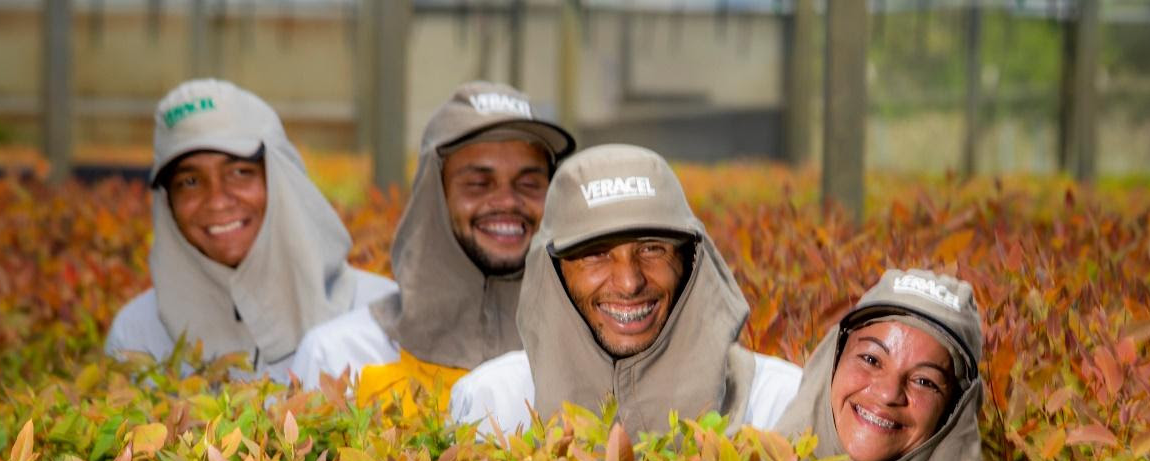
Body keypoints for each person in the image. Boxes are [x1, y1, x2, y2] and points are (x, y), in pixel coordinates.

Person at [449, 143, 801, 436]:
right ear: (552, 270)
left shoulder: (777, 403)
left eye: (652, 249)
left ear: (690, 260)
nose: (630, 282)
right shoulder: (494, 404)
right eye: (596, 255)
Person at [291, 81, 575, 411]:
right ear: (433, 195)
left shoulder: (584, 357)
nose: (507, 201)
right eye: (478, 183)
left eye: (529, 183)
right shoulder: (341, 356)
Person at [105, 78, 395, 382]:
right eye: (190, 182)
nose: (217, 201)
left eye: (240, 173)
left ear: (281, 177)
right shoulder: (136, 336)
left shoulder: (378, 315)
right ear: (168, 203)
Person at [774, 268, 984, 461]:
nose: (888, 393)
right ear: (834, 358)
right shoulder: (748, 438)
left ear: (954, 410)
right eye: (871, 359)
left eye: (924, 381)